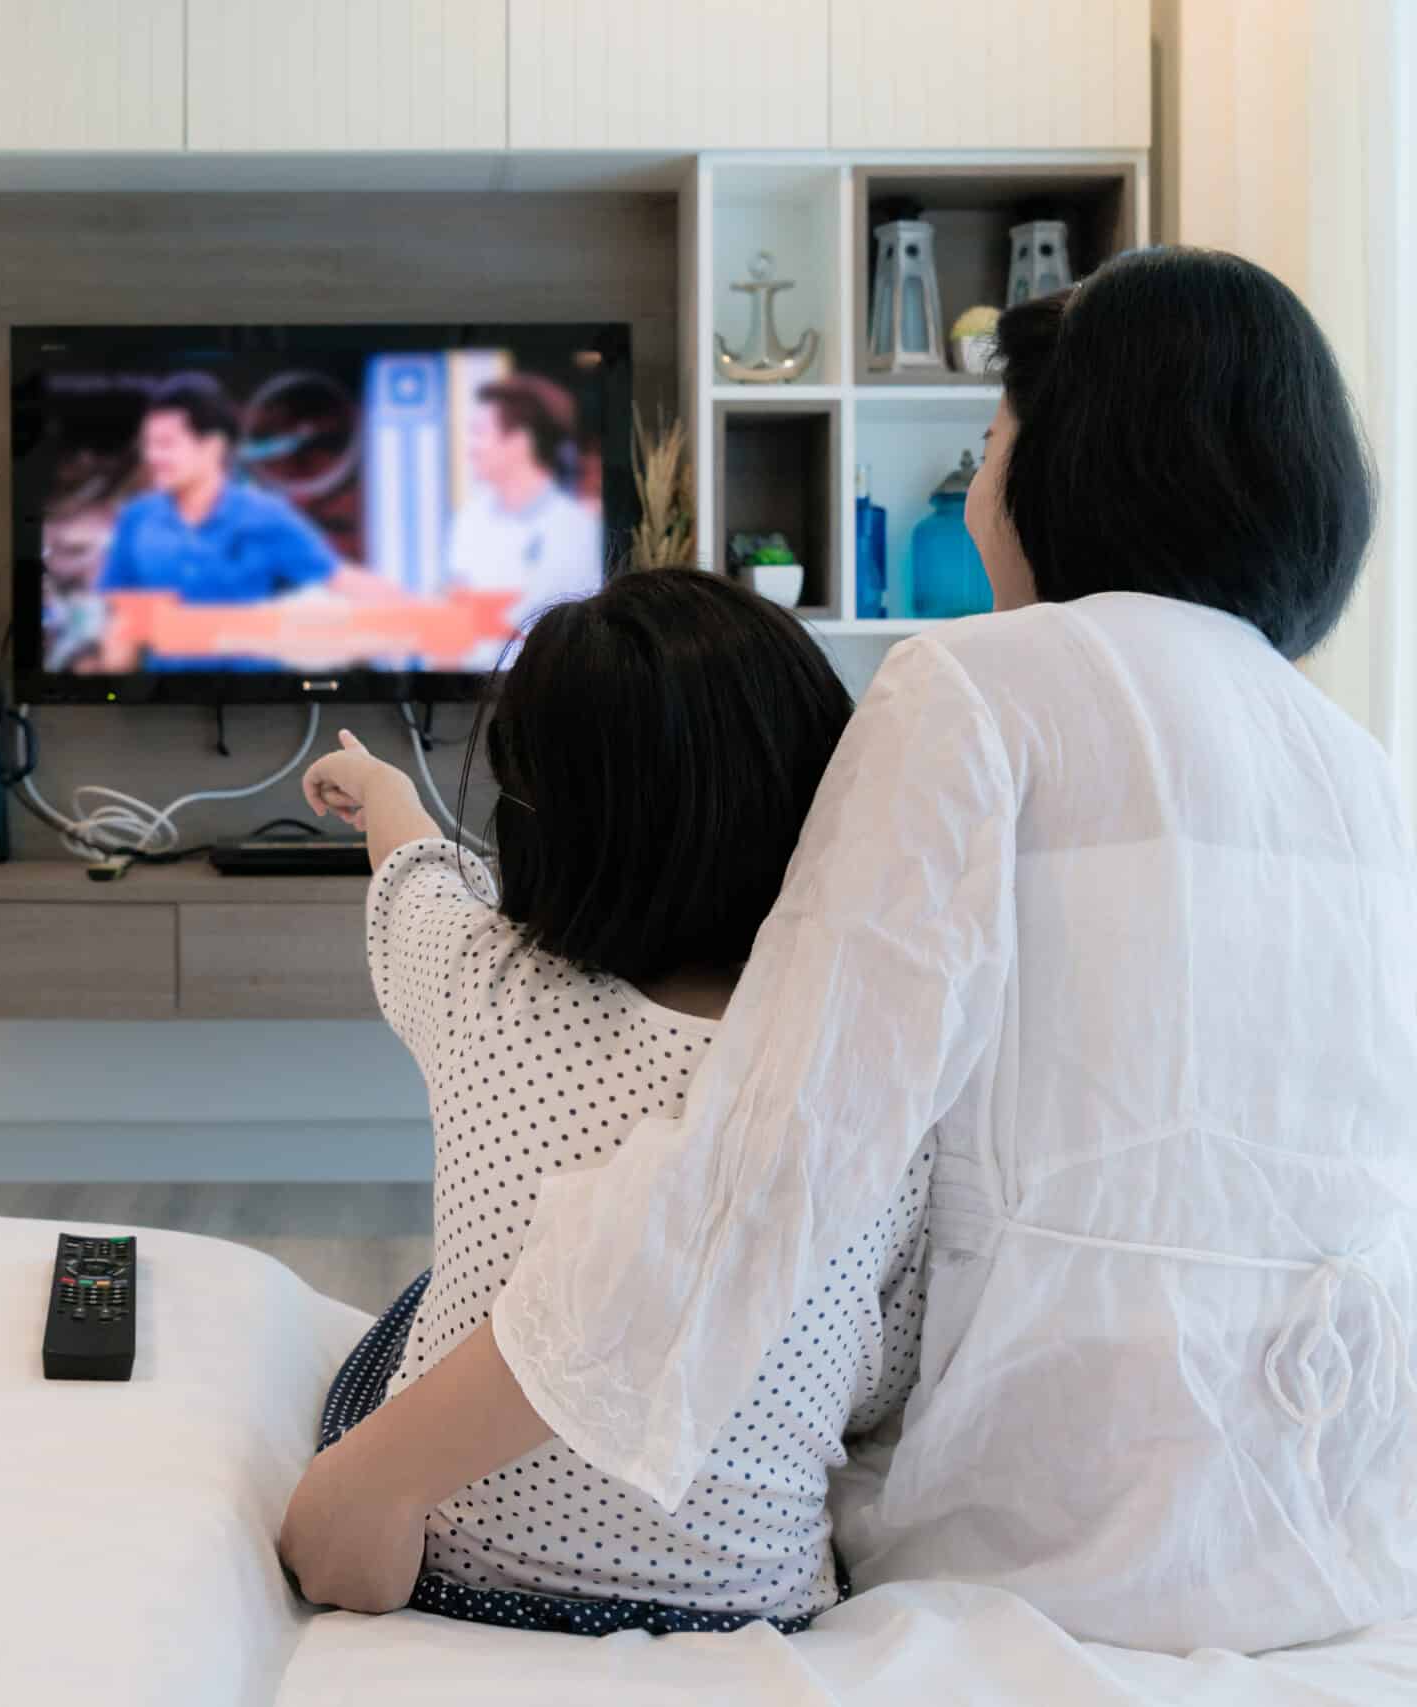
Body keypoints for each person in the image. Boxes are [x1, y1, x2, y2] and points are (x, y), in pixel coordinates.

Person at [279, 247, 1417, 1655]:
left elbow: (777, 1147)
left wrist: (382, 1469)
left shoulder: (975, 687)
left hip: (1077, 1527)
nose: (977, 480)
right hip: (1354, 1492)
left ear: (1079, 457)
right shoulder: (1341, 753)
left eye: (989, 437)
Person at [282, 571, 932, 1635]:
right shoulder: (878, 1075)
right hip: (747, 1608)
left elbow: (414, 877)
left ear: (543, 822)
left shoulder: (481, 983)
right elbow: (882, 1373)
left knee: (418, 1307)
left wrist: (383, 790)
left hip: (461, 1570)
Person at [97, 372, 339, 670]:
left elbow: (337, 582)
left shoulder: (267, 516)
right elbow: (123, 623)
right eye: (148, 444)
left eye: (165, 444)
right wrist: (109, 697)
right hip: (163, 705)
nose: (151, 456)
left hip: (262, 705)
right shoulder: (137, 519)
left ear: (211, 445)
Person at [444, 376, 604, 630]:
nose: (470, 448)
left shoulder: (580, 528)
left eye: (479, 432)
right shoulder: (469, 519)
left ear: (520, 441)